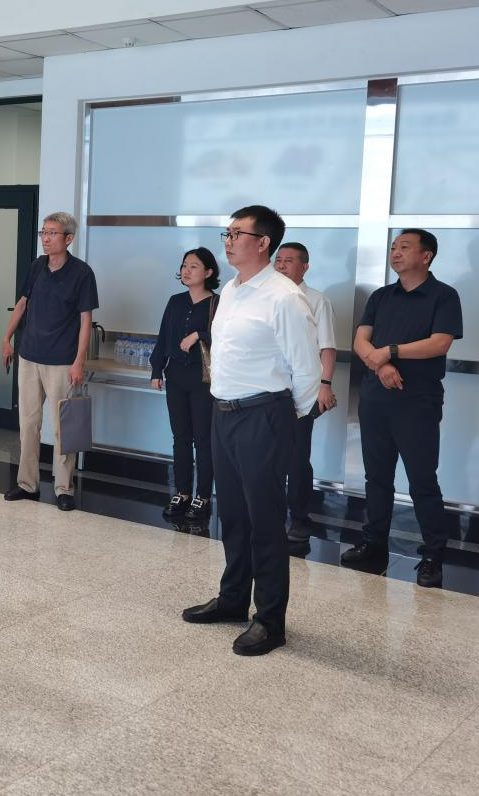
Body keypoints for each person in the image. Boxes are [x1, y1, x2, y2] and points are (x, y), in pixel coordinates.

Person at [182, 205, 318, 656]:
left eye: (237, 233)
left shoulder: (283, 297)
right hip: (224, 412)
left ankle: (270, 620)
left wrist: (284, 421)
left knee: (264, 520)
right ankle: (233, 598)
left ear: (263, 243)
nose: (228, 240)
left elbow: (307, 370)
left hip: (264, 414)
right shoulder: (232, 291)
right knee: (233, 515)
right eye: (227, 232)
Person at [342, 229, 463, 589]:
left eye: (404, 247)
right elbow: (361, 340)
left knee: (422, 480)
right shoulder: (381, 296)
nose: (395, 252)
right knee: (377, 477)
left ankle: (432, 555)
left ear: (426, 256)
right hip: (375, 398)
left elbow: (439, 343)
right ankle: (374, 544)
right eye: (394, 247)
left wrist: (390, 352)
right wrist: (381, 365)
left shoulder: (444, 295)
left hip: (417, 402)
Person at [1, 212, 98, 512]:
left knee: (62, 427)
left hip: (62, 361)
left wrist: (79, 361)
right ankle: (27, 483)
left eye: (52, 233)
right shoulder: (37, 266)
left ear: (68, 238)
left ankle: (63, 488)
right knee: (28, 423)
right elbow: (22, 304)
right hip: (29, 356)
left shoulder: (82, 273)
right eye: (43, 232)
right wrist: (6, 338)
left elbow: (85, 320)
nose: (45, 237)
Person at [150, 247, 221, 524]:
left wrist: (199, 334)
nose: (186, 271)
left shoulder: (218, 303)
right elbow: (163, 336)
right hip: (176, 376)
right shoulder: (175, 301)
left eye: (193, 266)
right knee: (180, 437)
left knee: (203, 439)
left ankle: (203, 496)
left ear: (209, 272)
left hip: (204, 380)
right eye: (184, 265)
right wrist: (157, 369)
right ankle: (181, 492)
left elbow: (226, 337)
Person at [274, 242, 339, 543]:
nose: (281, 266)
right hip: (269, 388)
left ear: (305, 267)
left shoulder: (316, 300)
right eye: (278, 260)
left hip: (302, 391)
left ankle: (300, 519)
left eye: (289, 261)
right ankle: (271, 516)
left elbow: (327, 348)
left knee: (297, 457)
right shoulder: (268, 297)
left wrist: (325, 385)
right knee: (270, 456)